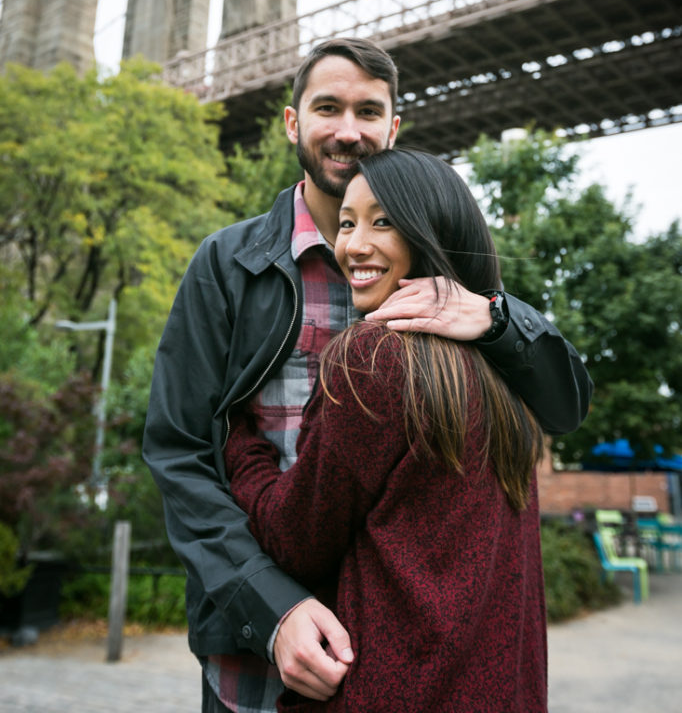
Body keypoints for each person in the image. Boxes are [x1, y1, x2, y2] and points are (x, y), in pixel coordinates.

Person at [143, 37, 591, 713]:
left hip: (396, 649)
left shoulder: (452, 287)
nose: (348, 130)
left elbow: (562, 408)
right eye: (327, 107)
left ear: (393, 128)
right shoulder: (227, 266)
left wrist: (499, 319)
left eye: (368, 111)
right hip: (260, 643)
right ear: (293, 123)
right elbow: (178, 453)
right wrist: (270, 607)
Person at [223, 147, 548, 711]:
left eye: (384, 221)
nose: (353, 245)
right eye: (347, 223)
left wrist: (240, 441)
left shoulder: (371, 359)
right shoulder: (506, 372)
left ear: (431, 233)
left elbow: (296, 540)